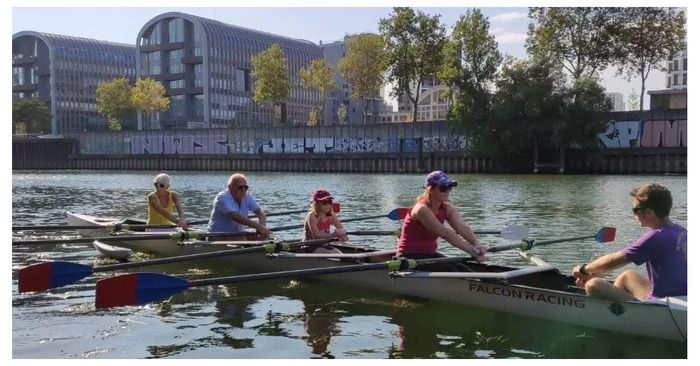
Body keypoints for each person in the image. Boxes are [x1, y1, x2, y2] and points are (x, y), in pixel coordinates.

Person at [572, 183, 686, 301]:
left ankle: (628, 312)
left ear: (648, 213)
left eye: (635, 210)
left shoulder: (656, 237)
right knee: (627, 276)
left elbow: (611, 261)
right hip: (683, 298)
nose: (634, 215)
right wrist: (594, 270)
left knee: (593, 285)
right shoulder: (682, 232)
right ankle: (615, 310)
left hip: (667, 305)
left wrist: (583, 270)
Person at [395, 170, 487, 266]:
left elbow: (462, 228)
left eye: (449, 188)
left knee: (461, 267)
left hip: (429, 255)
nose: (447, 191)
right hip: (408, 257)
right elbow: (446, 234)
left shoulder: (447, 208)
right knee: (452, 271)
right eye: (443, 188)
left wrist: (477, 244)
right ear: (430, 189)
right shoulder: (422, 209)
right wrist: (473, 252)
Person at [206, 173, 270, 239]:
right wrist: (258, 226)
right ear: (230, 188)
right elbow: (235, 217)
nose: (243, 190)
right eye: (240, 187)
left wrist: (262, 228)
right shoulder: (222, 197)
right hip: (217, 235)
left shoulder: (247, 196)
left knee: (264, 235)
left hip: (238, 233)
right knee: (241, 238)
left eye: (245, 187)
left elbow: (260, 212)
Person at [302, 189, 347, 253]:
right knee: (333, 256)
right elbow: (316, 235)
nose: (328, 205)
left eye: (329, 202)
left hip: (324, 244)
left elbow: (341, 228)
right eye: (324, 202)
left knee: (341, 255)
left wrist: (343, 234)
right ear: (316, 204)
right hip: (310, 245)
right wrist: (333, 235)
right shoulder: (311, 216)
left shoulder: (331, 215)